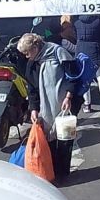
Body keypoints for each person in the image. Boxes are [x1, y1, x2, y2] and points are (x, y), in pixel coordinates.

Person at [18, 33, 81, 178]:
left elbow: (73, 75)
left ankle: (63, 174)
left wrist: (68, 96)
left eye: (28, 52)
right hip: (46, 110)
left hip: (66, 105)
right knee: (49, 140)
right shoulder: (33, 63)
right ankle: (51, 173)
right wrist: (33, 109)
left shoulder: (57, 52)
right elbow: (32, 88)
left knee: (65, 141)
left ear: (36, 46)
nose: (27, 56)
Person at [73, 14, 100, 113]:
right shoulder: (98, 20)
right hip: (95, 49)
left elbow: (75, 34)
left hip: (81, 50)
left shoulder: (76, 20)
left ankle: (87, 104)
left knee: (84, 79)